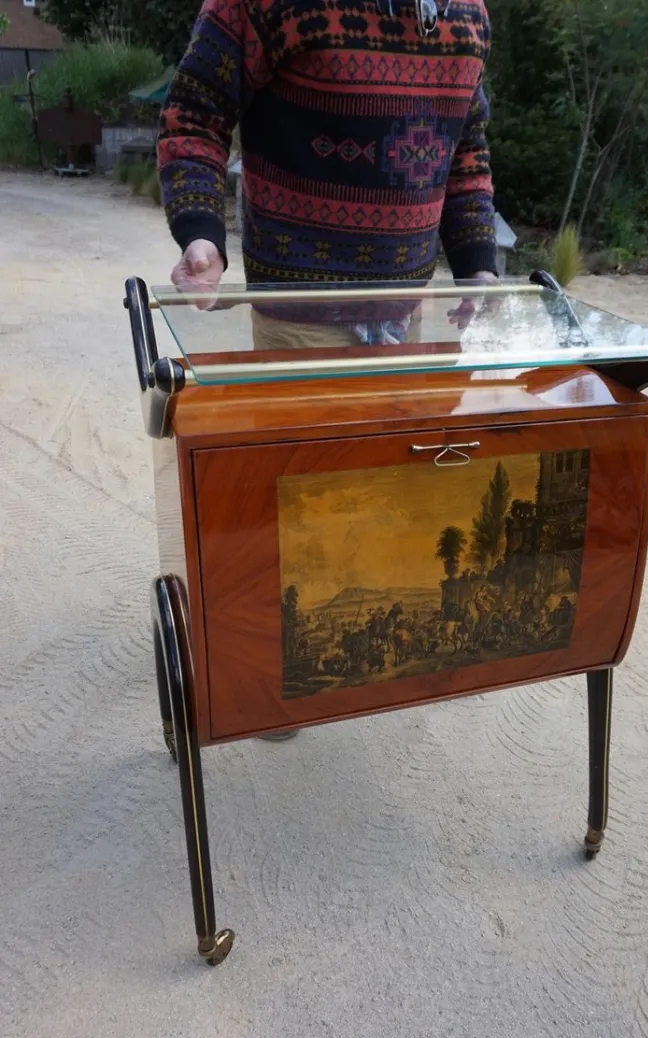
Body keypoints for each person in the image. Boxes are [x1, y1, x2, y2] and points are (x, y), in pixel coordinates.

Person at [157, 0, 499, 735]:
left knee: (382, 491)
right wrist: (202, 236)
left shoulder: (468, 12)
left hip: (405, 318)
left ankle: (349, 659)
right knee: (293, 496)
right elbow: (195, 113)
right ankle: (275, 672)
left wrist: (475, 262)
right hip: (296, 321)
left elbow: (464, 143)